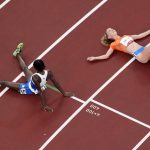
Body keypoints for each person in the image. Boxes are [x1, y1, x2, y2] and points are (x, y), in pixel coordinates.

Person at [0, 43, 73, 112]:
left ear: (35, 68)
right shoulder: (49, 72)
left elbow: (40, 92)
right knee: (25, 69)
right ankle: (17, 54)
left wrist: (44, 105)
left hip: (28, 89)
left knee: (6, 83)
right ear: (44, 66)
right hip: (33, 82)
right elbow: (56, 83)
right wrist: (64, 93)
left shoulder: (35, 77)